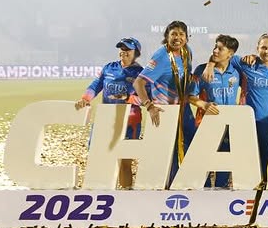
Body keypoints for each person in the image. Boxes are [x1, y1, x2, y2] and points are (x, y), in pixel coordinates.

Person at [76, 37, 144, 188]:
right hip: (106, 119)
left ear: (136, 53)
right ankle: (102, 192)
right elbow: (95, 86)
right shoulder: (109, 68)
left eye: (128, 49)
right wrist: (86, 98)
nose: (123, 52)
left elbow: (146, 100)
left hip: (129, 121)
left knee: (125, 160)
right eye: (122, 49)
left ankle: (126, 193)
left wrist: (127, 98)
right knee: (98, 155)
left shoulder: (141, 73)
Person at [134, 21, 196, 181]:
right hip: (166, 110)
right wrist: (149, 106)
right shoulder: (161, 57)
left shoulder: (187, 51)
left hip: (184, 108)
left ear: (186, 37)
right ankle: (172, 187)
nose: (177, 38)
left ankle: (188, 181)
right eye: (173, 34)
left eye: (181, 34)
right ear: (167, 36)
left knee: (193, 145)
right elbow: (138, 83)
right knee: (172, 152)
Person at [189, 35, 241, 189]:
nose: (215, 51)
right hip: (207, 123)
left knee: (224, 161)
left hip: (229, 125)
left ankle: (222, 193)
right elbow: (190, 96)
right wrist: (203, 104)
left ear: (230, 54)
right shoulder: (201, 70)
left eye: (220, 48)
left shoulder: (237, 71)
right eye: (215, 47)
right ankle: (202, 192)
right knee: (204, 161)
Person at [232, 34, 268, 182]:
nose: (267, 51)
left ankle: (265, 185)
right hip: (249, 121)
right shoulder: (248, 64)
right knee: (248, 156)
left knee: (266, 156)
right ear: (257, 48)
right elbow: (226, 56)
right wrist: (210, 65)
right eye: (263, 48)